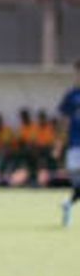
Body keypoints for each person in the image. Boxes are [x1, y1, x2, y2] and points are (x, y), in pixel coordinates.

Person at [59, 58, 80, 227]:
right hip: (75, 146)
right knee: (77, 183)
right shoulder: (71, 96)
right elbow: (64, 122)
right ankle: (68, 203)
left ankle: (68, 203)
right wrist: (59, 144)